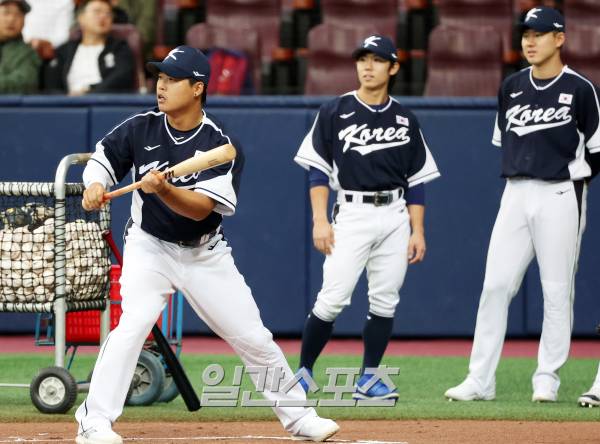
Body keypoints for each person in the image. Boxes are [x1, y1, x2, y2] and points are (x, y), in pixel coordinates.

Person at [74, 45, 339, 444]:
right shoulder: (142, 126)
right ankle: (94, 423)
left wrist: (163, 189)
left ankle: (300, 418)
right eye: (159, 78)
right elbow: (103, 158)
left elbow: (200, 210)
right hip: (149, 247)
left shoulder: (219, 144)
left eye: (171, 80)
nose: (160, 87)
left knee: (252, 336)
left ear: (197, 88)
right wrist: (95, 184)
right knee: (133, 325)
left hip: (204, 253)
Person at [445, 6, 600, 403]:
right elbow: (505, 141)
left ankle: (547, 377)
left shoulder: (580, 89)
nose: (530, 41)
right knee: (495, 285)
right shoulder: (511, 86)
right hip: (515, 192)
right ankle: (480, 379)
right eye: (525, 34)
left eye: (539, 33)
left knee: (556, 290)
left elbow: (596, 153)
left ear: (560, 38)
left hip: (561, 193)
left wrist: (570, 185)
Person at [293, 34, 440, 400]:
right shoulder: (334, 110)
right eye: (362, 59)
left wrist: (417, 230)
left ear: (393, 67)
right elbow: (316, 172)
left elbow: (417, 182)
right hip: (352, 212)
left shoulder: (406, 118)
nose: (367, 66)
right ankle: (304, 372)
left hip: (394, 214)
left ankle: (369, 378)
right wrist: (320, 220)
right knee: (333, 298)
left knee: (385, 300)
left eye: (376, 60)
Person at [44, 0, 134, 95]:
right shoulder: (64, 51)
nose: (103, 16)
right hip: (67, 105)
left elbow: (121, 78)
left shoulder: (119, 48)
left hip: (104, 103)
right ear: (81, 17)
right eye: (97, 11)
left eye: (108, 14)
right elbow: (51, 84)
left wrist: (89, 92)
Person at [0, 0, 40, 94]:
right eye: (6, 13)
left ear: (24, 21)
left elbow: (25, 83)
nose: (11, 19)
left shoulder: (28, 53)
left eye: (18, 14)